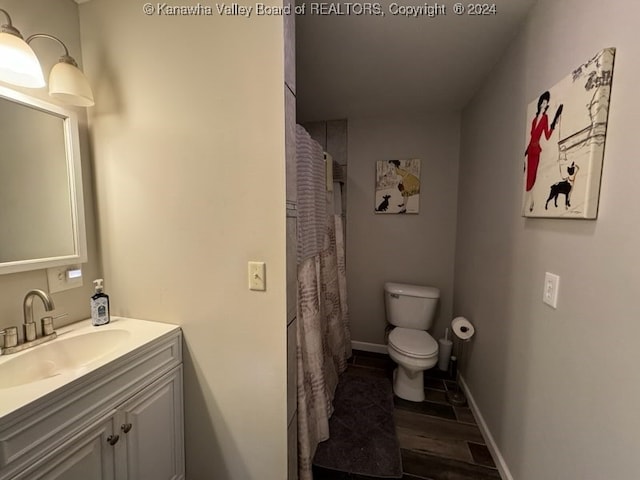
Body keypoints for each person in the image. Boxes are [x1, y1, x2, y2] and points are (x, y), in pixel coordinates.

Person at [524, 91, 563, 212]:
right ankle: (531, 202)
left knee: (532, 178)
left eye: (546, 103)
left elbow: (546, 136)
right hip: (529, 151)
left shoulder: (545, 118)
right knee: (529, 179)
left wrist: (553, 125)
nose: (544, 104)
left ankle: (528, 205)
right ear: (540, 103)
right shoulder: (535, 119)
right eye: (543, 102)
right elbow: (531, 137)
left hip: (536, 151)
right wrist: (525, 153)